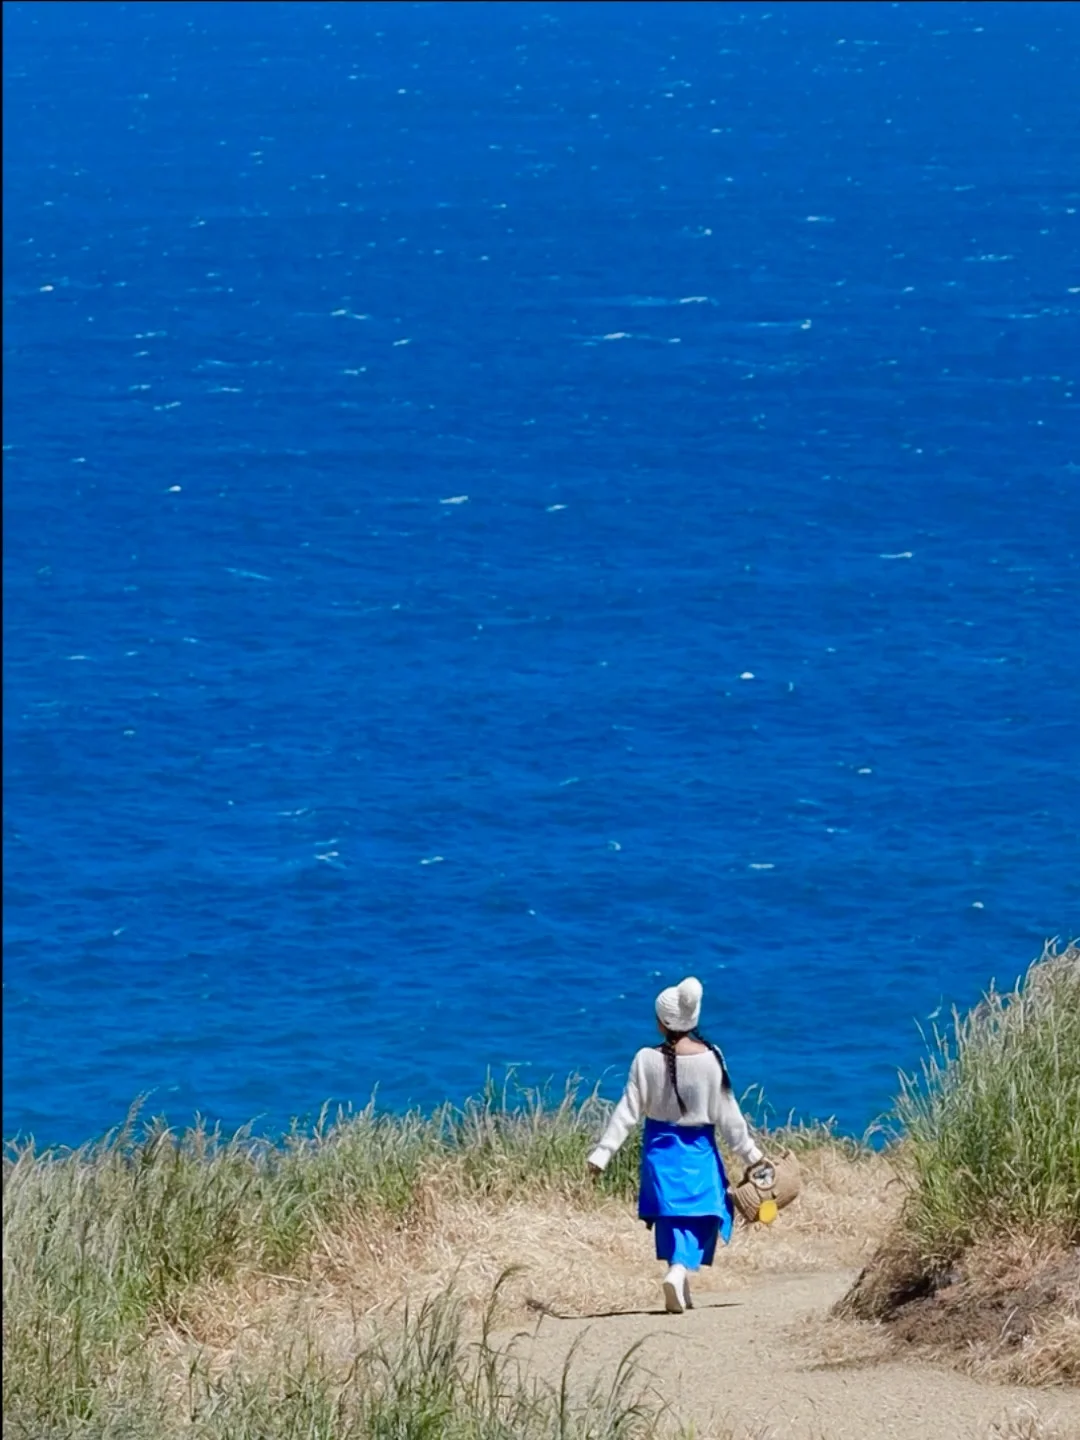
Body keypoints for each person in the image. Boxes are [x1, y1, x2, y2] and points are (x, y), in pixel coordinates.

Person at [587, 975, 765, 1314]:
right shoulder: (712, 1057)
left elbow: (627, 1110)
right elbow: (728, 1113)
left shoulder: (644, 1059)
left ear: (661, 1022)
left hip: (659, 1149)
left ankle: (679, 1281)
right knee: (706, 1212)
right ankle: (679, 1270)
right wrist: (751, 1154)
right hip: (698, 1150)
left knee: (672, 1216)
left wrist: (603, 1152)